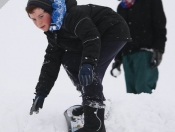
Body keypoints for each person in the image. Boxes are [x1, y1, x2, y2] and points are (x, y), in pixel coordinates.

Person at [26, 0, 131, 131]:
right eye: (33, 19)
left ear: (52, 11)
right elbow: (51, 62)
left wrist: (88, 63)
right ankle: (91, 104)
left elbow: (91, 37)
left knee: (90, 70)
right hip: (95, 37)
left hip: (113, 30)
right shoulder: (54, 32)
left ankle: (95, 125)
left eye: (41, 16)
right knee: (68, 58)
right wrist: (41, 93)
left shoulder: (72, 16)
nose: (38, 23)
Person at [111, 0, 167, 94]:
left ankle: (150, 109)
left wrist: (159, 49)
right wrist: (118, 59)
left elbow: (159, 25)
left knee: (144, 91)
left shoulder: (151, 2)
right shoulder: (121, 7)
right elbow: (119, 35)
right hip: (126, 56)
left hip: (145, 54)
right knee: (131, 96)